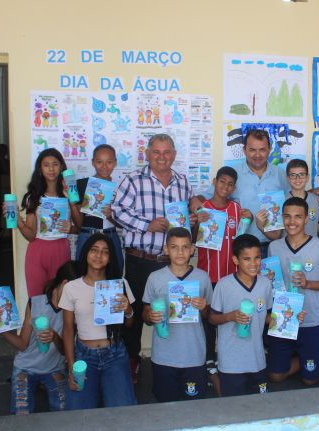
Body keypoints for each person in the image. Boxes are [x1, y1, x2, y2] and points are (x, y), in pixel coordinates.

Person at [112, 133, 198, 381]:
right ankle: (131, 360)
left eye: (167, 152)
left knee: (175, 310)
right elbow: (117, 211)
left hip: (173, 263)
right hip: (141, 259)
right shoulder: (134, 180)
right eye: (157, 152)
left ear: (174, 155)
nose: (162, 157)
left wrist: (191, 220)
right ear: (147, 154)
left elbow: (186, 215)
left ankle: (179, 360)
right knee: (137, 311)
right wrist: (146, 225)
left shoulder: (182, 183)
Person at [197, 129, 319, 257]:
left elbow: (294, 196)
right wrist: (195, 202)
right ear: (244, 150)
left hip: (273, 246)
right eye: (252, 150)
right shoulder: (232, 174)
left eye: (262, 149)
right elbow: (209, 197)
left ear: (270, 149)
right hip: (241, 246)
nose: (257, 155)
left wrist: (313, 192)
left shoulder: (280, 174)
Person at [0, 260, 78, 415]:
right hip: (26, 367)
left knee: (63, 413)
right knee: (21, 413)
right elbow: (22, 344)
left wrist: (55, 337)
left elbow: (65, 351)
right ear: (65, 283)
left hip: (54, 368)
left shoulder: (73, 310)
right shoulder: (36, 303)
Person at [267, 197, 319, 385]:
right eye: (287, 216)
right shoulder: (273, 247)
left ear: (307, 219)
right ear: (281, 218)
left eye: (298, 217)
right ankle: (308, 358)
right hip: (283, 319)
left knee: (311, 379)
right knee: (276, 377)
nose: (292, 222)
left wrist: (308, 283)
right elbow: (271, 285)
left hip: (310, 321)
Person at [59, 234, 137, 410]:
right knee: (79, 414)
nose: (98, 256)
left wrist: (129, 311)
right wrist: (71, 366)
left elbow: (130, 325)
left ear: (110, 258)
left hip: (115, 354)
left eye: (105, 252)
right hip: (84, 357)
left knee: (122, 412)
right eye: (94, 250)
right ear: (86, 253)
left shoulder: (120, 284)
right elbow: (68, 329)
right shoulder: (71, 287)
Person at [196, 165, 252, 390]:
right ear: (214, 181)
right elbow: (191, 238)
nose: (225, 187)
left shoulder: (237, 210)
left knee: (227, 319)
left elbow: (241, 236)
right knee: (208, 318)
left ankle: (227, 360)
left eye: (230, 184)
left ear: (234, 187)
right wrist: (196, 223)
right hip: (208, 274)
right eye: (222, 182)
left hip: (230, 277)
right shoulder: (202, 209)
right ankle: (209, 359)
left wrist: (248, 217)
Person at [142, 227, 213, 402]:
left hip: (194, 355)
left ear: (192, 249)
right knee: (166, 406)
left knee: (193, 407)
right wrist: (150, 316)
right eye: (174, 247)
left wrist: (204, 308)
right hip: (164, 357)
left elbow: (209, 316)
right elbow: (145, 312)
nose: (180, 252)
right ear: (166, 249)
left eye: (185, 247)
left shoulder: (203, 277)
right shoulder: (154, 277)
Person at [209, 234, 273, 397]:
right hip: (231, 360)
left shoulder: (265, 284)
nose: (253, 263)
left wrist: (292, 319)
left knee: (260, 405)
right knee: (232, 406)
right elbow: (212, 318)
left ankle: (211, 372)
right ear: (235, 260)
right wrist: (231, 316)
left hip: (257, 358)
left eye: (257, 257)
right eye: (247, 259)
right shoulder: (223, 285)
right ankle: (212, 372)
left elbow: (266, 318)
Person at [15, 148, 76, 298]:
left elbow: (80, 227)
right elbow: (30, 236)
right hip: (37, 251)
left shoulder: (70, 193)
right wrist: (18, 221)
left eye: (55, 164)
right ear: (40, 169)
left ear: (61, 167)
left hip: (61, 249)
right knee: (37, 300)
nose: (51, 169)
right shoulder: (33, 197)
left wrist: (71, 228)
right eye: (46, 165)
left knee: (60, 299)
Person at [71, 144, 123, 272]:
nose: (104, 166)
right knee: (83, 274)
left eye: (109, 162)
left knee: (114, 275)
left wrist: (110, 215)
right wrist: (72, 203)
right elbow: (79, 225)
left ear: (115, 162)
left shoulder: (121, 187)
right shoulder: (81, 185)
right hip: (87, 235)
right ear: (93, 162)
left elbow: (123, 224)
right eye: (99, 162)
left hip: (111, 236)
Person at [256, 159, 319, 241]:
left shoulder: (316, 200)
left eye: (301, 174)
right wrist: (261, 226)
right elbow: (276, 236)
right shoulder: (279, 202)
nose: (297, 179)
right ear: (288, 178)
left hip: (312, 251)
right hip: (287, 252)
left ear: (307, 177)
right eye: (293, 175)